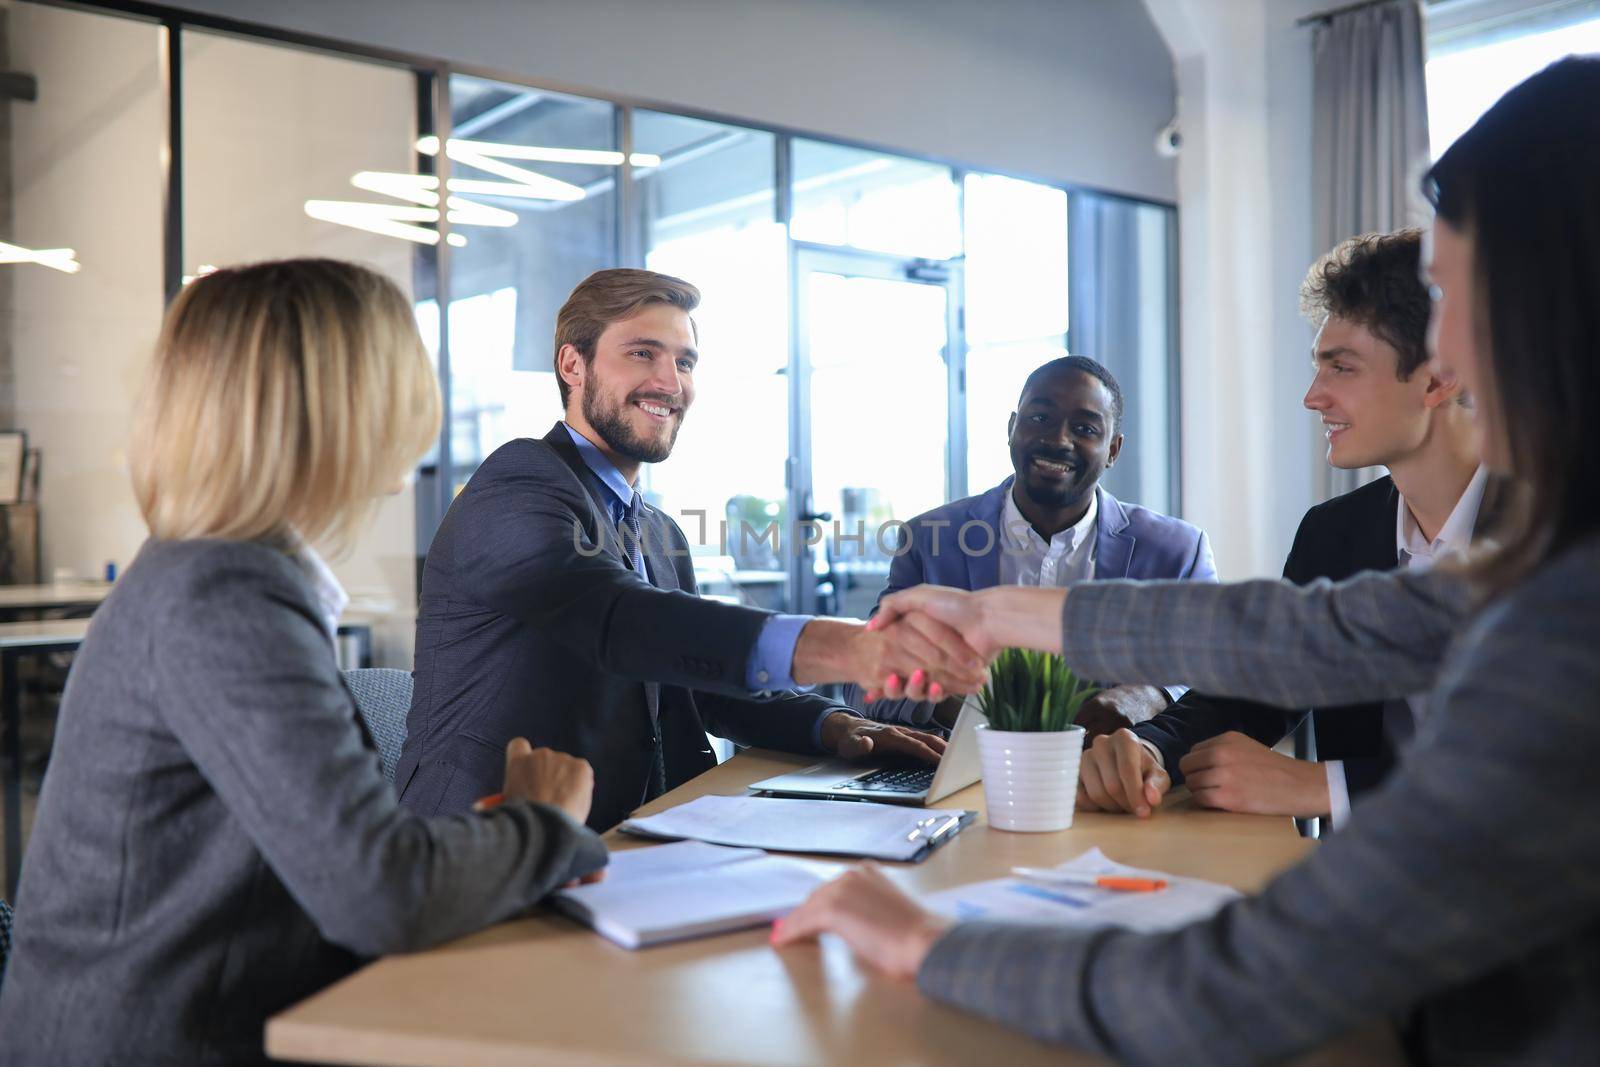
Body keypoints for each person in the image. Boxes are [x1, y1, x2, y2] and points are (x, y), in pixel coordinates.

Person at [774, 58, 1600, 1064]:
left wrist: (925, 939)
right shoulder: (1554, 552)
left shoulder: (1570, 619)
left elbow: (1230, 989)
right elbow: (1312, 629)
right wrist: (1001, 614)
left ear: (1547, 303)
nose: (1452, 357)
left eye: (1455, 300)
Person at [0, 260, 610, 1066]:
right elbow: (379, 893)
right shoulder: (222, 599)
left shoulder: (212, 575)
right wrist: (540, 823)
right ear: (343, 411)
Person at [398, 269, 986, 831]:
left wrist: (830, 724)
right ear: (572, 365)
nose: (670, 383)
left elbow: (697, 683)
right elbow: (619, 617)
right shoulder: (518, 483)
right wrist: (849, 648)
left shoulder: (658, 532)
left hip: (636, 833)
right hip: (484, 840)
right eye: (642, 353)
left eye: (685, 361)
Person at [1082, 229, 1491, 824]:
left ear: (1436, 378)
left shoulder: (1563, 532)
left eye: (1341, 368)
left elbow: (1560, 756)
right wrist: (1153, 749)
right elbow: (1256, 683)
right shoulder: (1335, 533)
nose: (1312, 397)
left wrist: (1328, 788)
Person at [856, 355, 1216, 736]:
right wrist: (944, 701)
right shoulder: (930, 538)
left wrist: (1148, 696)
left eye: (1084, 428)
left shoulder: (1176, 550)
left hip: (1113, 779)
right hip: (966, 777)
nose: (1058, 439)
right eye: (1040, 419)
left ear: (1113, 450)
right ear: (1012, 427)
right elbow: (863, 675)